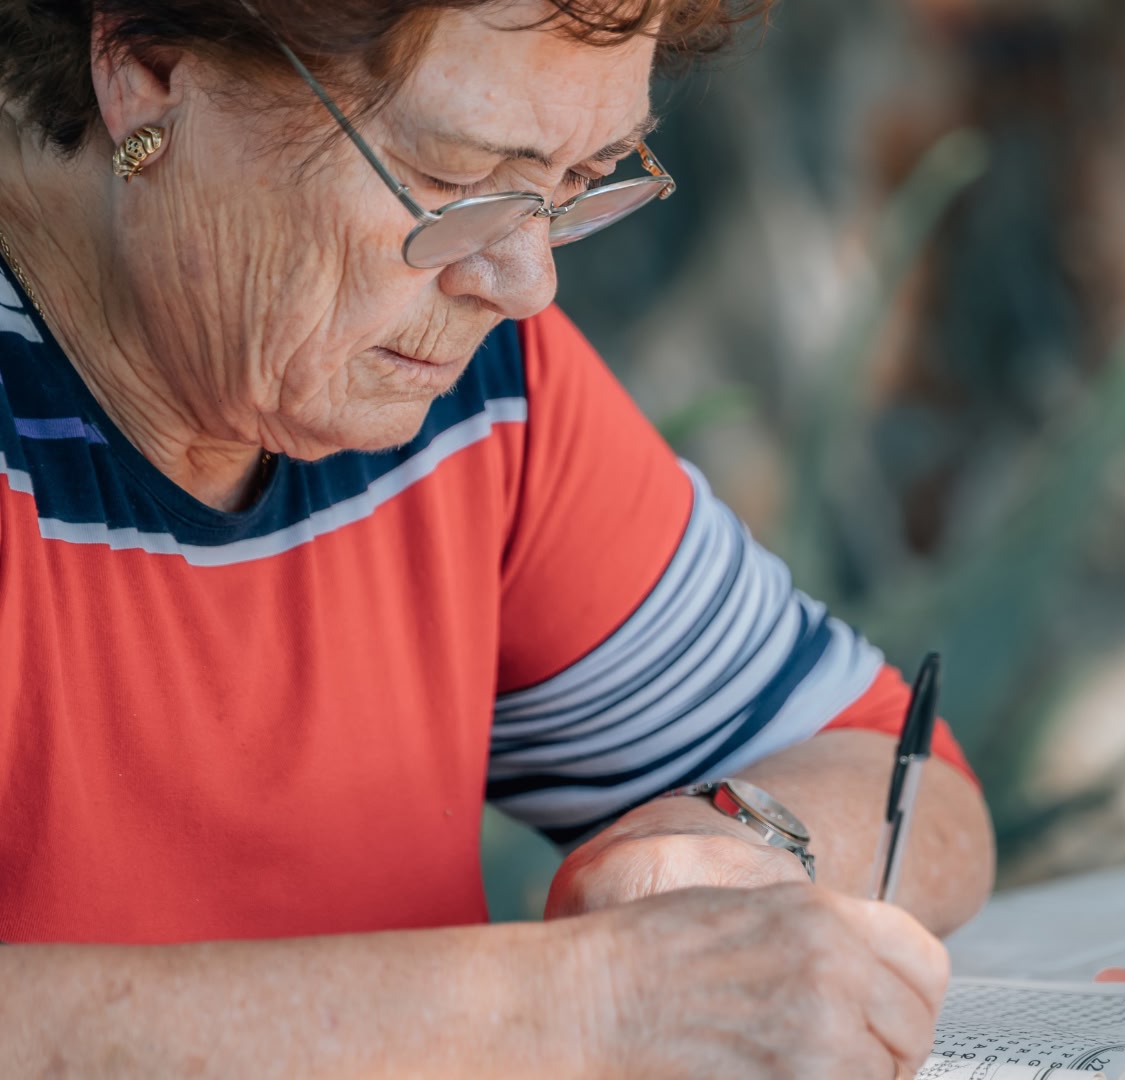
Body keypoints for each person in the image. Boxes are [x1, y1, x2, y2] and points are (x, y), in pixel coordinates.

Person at [0, 0, 995, 1074]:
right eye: (454, 179)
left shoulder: (460, 394)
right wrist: (575, 1007)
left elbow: (903, 776)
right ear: (147, 70)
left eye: (574, 185)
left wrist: (727, 844)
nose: (525, 283)